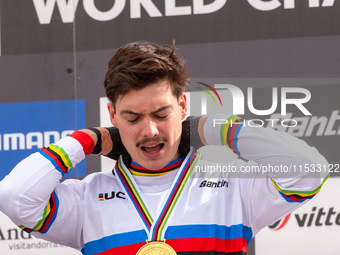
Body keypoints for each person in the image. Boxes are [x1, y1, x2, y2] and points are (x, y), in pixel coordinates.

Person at [0, 41, 329, 255]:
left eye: (161, 114)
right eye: (131, 118)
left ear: (183, 106)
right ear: (112, 114)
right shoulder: (87, 197)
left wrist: (212, 129)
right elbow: (13, 196)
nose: (150, 131)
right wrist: (89, 139)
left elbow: (309, 171)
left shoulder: (233, 188)